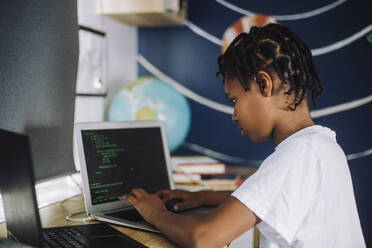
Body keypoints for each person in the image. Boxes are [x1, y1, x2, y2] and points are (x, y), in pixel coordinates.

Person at [119, 24, 366, 248]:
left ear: (263, 84)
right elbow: (268, 199)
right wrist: (202, 197)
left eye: (234, 100)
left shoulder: (300, 154)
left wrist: (153, 213)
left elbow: (203, 238)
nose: (234, 115)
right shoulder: (320, 144)